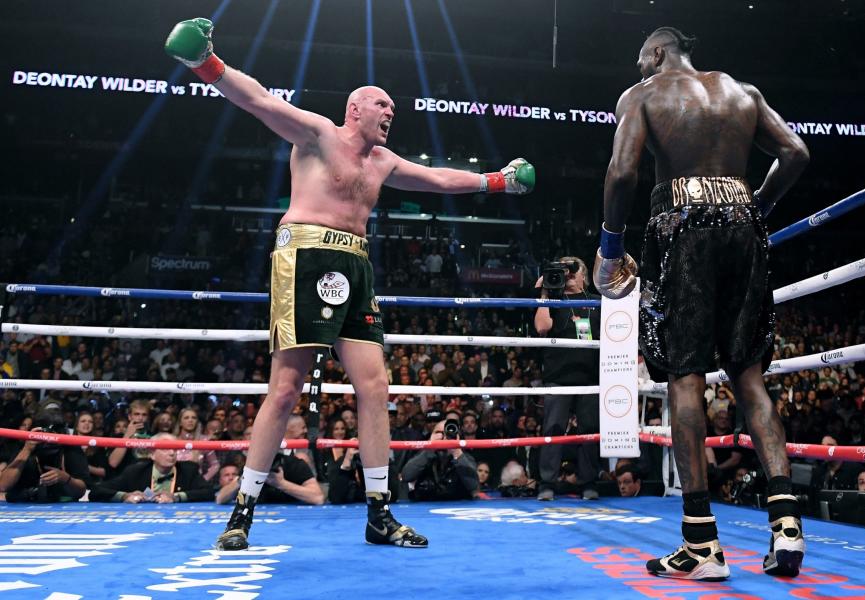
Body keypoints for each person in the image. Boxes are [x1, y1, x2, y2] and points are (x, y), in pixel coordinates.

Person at [164, 17, 534, 550]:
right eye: (382, 105)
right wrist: (207, 65)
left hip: (356, 263)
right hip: (306, 253)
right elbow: (261, 102)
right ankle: (242, 513)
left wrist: (496, 181)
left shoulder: (382, 161)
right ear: (354, 109)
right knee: (286, 388)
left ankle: (379, 514)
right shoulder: (316, 134)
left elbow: (437, 180)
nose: (391, 113)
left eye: (393, 109)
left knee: (375, 386)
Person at [594, 27, 809, 579]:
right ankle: (787, 529)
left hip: (682, 227)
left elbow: (622, 172)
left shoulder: (643, 95)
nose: (639, 68)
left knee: (685, 378)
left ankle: (701, 544)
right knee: (749, 378)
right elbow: (796, 153)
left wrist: (610, 249)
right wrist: (756, 206)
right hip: (743, 225)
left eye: (641, 57)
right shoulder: (744, 93)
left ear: (660, 52)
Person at [533, 256, 602, 501]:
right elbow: (542, 327)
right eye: (562, 270)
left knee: (590, 431)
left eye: (572, 270)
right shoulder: (553, 300)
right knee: (553, 429)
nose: (567, 274)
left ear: (583, 275)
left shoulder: (597, 302)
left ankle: (589, 483)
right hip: (558, 376)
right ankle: (547, 484)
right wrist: (544, 292)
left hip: (591, 375)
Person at [91, 433, 214, 503]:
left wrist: (176, 497)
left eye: (175, 449)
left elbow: (208, 492)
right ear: (152, 454)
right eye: (165, 448)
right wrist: (125, 496)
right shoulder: (136, 472)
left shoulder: (188, 470)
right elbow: (96, 491)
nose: (172, 453)